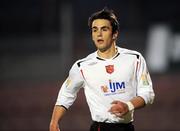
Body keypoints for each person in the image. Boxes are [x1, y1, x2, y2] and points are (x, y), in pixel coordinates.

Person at [49, 7, 155, 131]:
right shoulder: (82, 66)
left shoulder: (135, 59)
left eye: (104, 29)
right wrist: (54, 122)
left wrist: (128, 106)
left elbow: (148, 94)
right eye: (95, 30)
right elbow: (66, 94)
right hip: (100, 128)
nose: (99, 34)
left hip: (127, 128)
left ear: (115, 34)